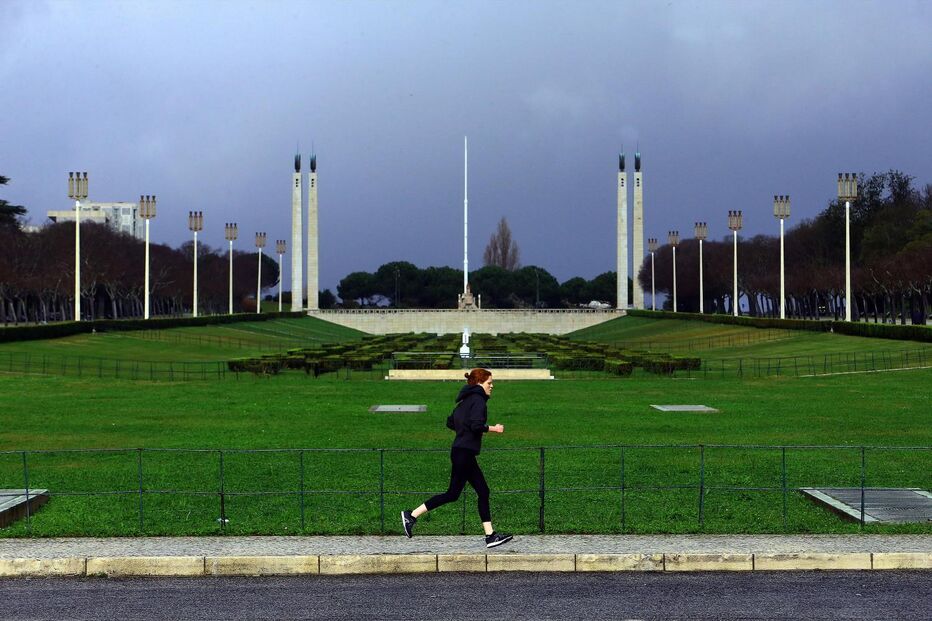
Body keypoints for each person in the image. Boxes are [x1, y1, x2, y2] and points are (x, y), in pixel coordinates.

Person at [401, 368, 513, 548]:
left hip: (461, 451)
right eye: (489, 383)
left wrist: (463, 432)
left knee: (461, 493)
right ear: (479, 383)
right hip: (465, 453)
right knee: (473, 492)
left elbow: (450, 422)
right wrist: (494, 428)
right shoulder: (478, 401)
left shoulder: (464, 401)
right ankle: (411, 515)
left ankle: (412, 516)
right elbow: (476, 426)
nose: (492, 386)